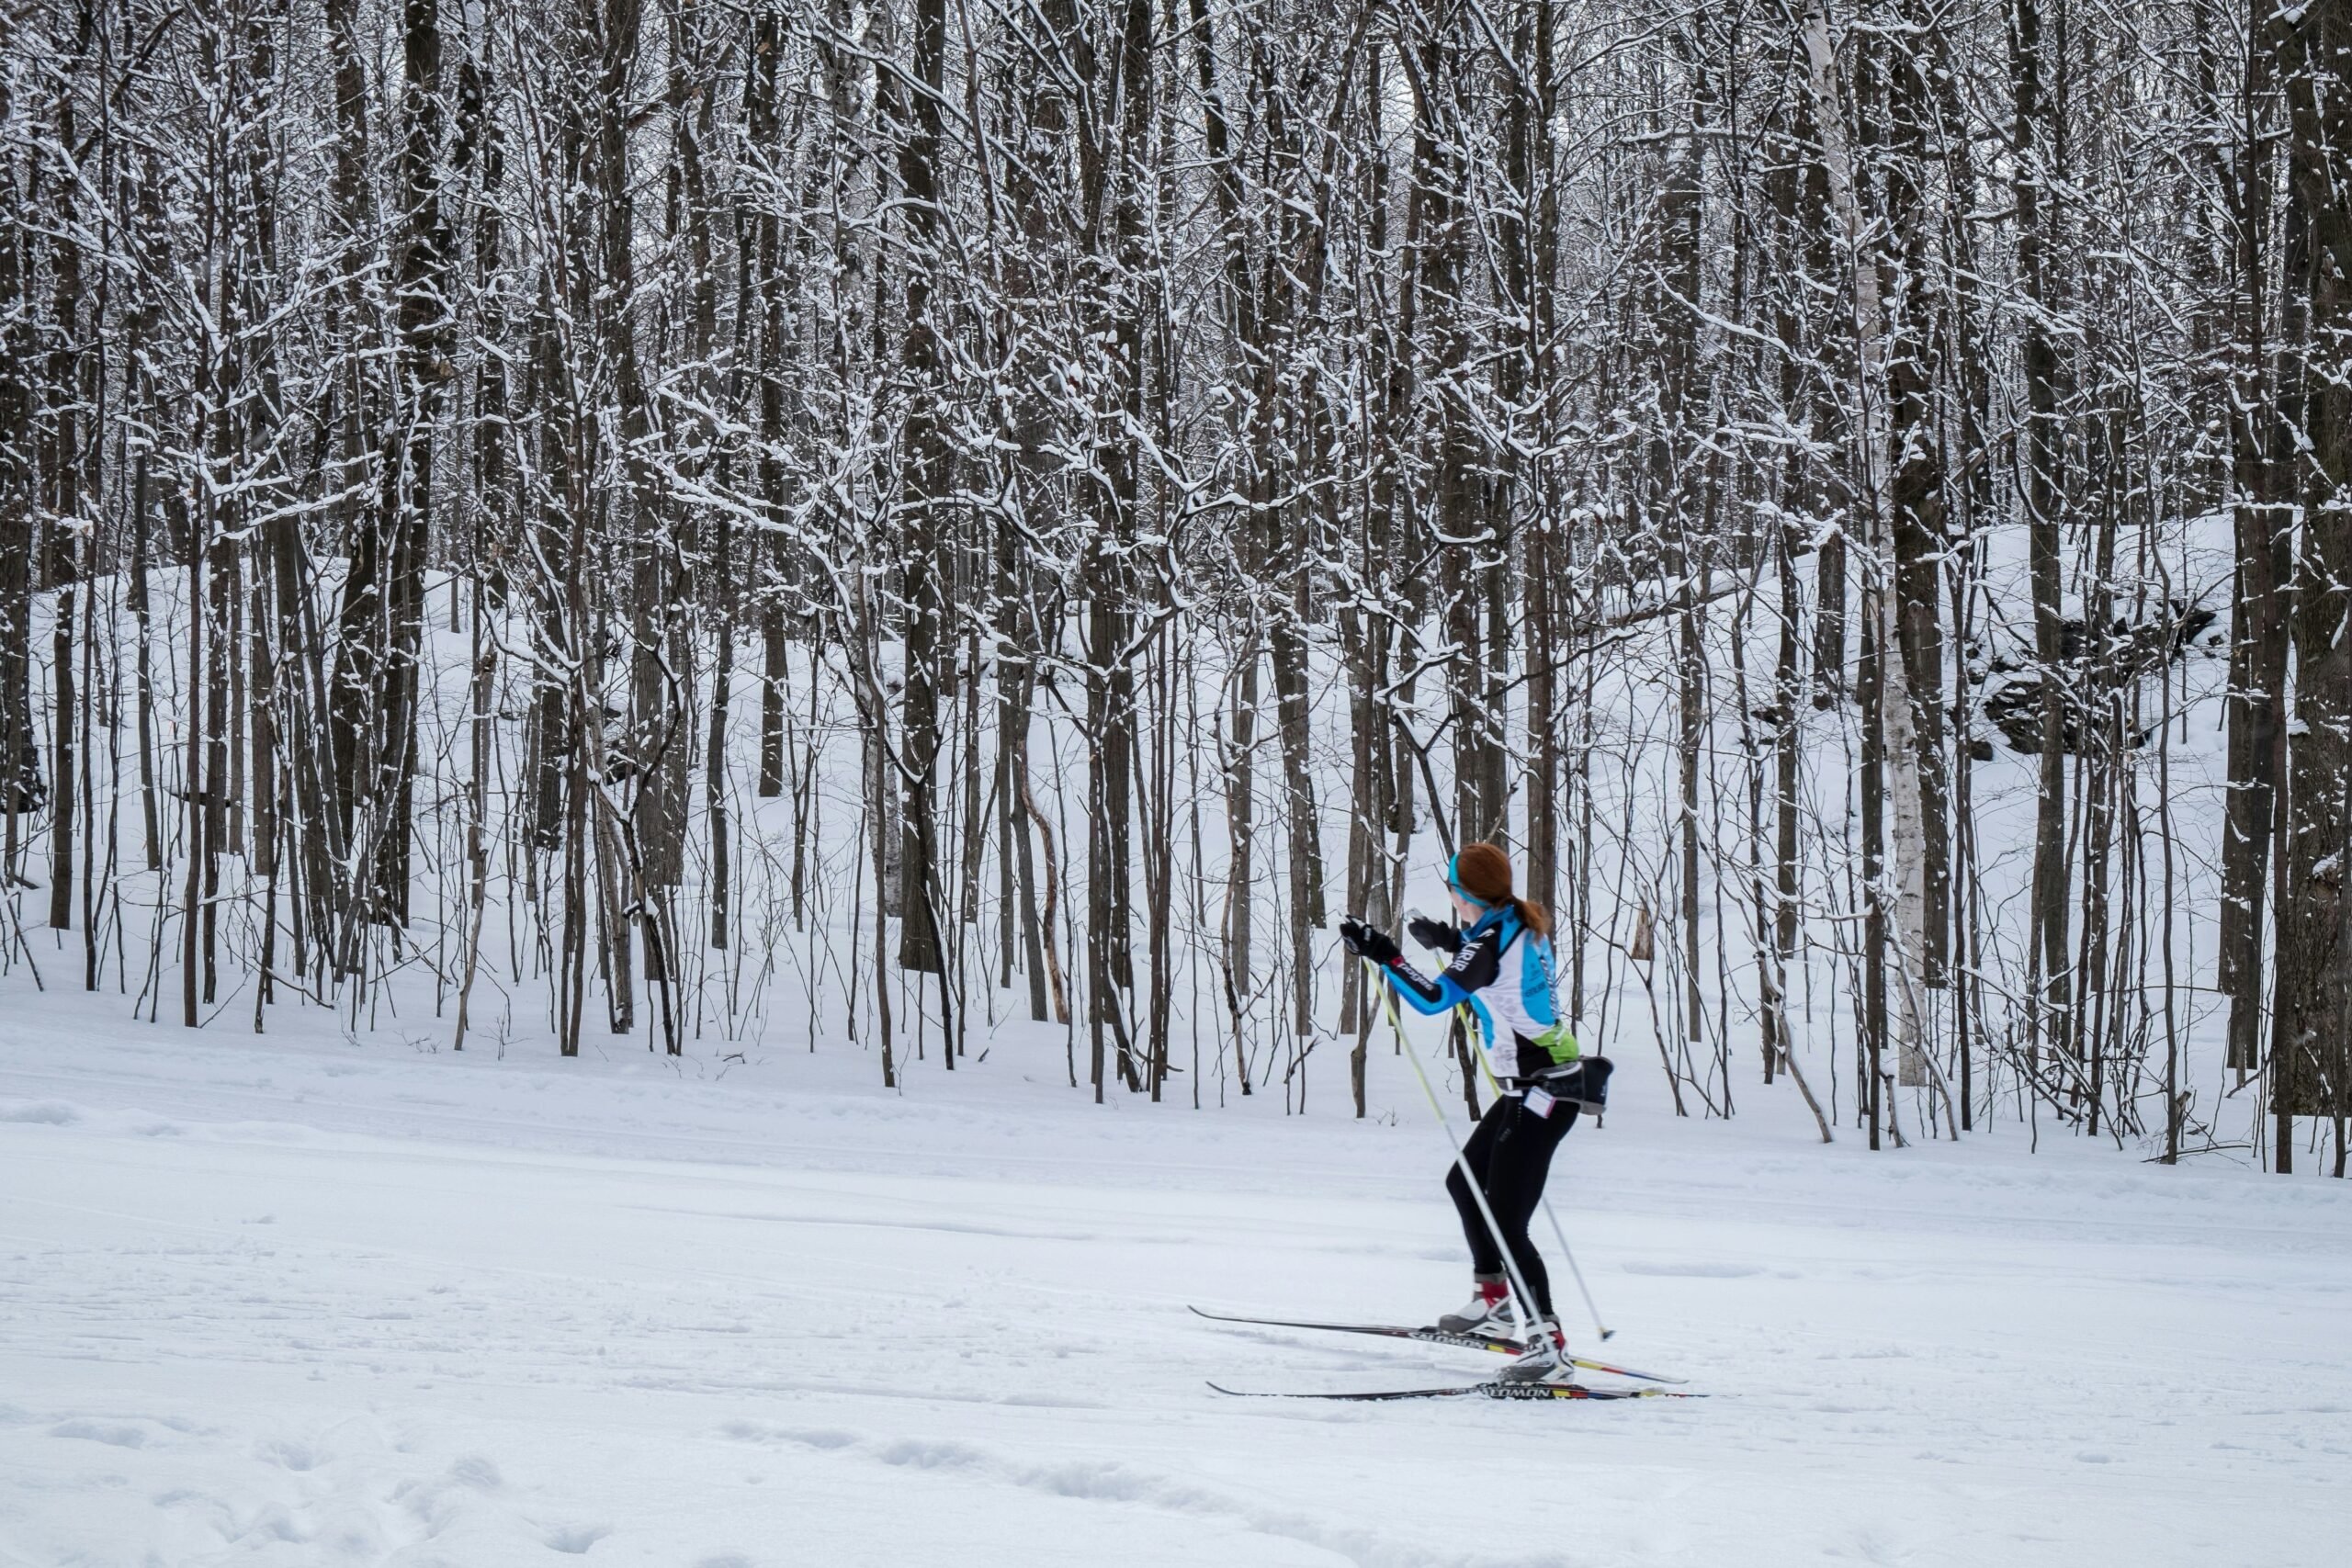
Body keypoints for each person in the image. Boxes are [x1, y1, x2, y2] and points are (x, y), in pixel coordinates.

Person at [1340, 841, 1611, 1383]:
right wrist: (1449, 939)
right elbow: (1488, 958)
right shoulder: (1515, 918)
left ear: (1463, 894)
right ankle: (1494, 1305)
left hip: (1545, 1090)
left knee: (1508, 1220)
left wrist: (1385, 954)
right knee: (1465, 1184)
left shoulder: (1489, 936)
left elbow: (1434, 999)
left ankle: (1547, 1343)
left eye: (1453, 892)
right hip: (1530, 1087)